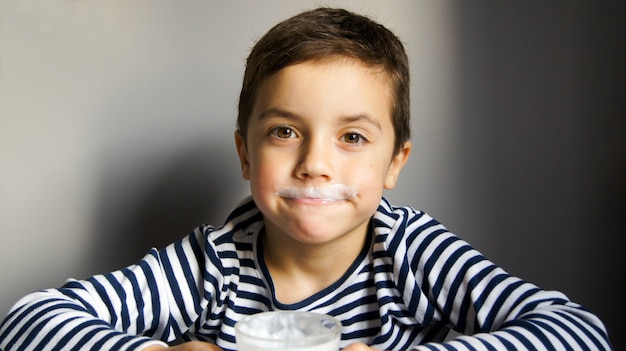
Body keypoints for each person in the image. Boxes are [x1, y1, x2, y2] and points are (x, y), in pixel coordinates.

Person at [0, 7, 612, 351]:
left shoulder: (413, 256)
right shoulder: (211, 265)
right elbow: (26, 319)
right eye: (285, 132)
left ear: (395, 162)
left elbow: (579, 333)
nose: (315, 163)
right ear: (244, 155)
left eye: (352, 138)